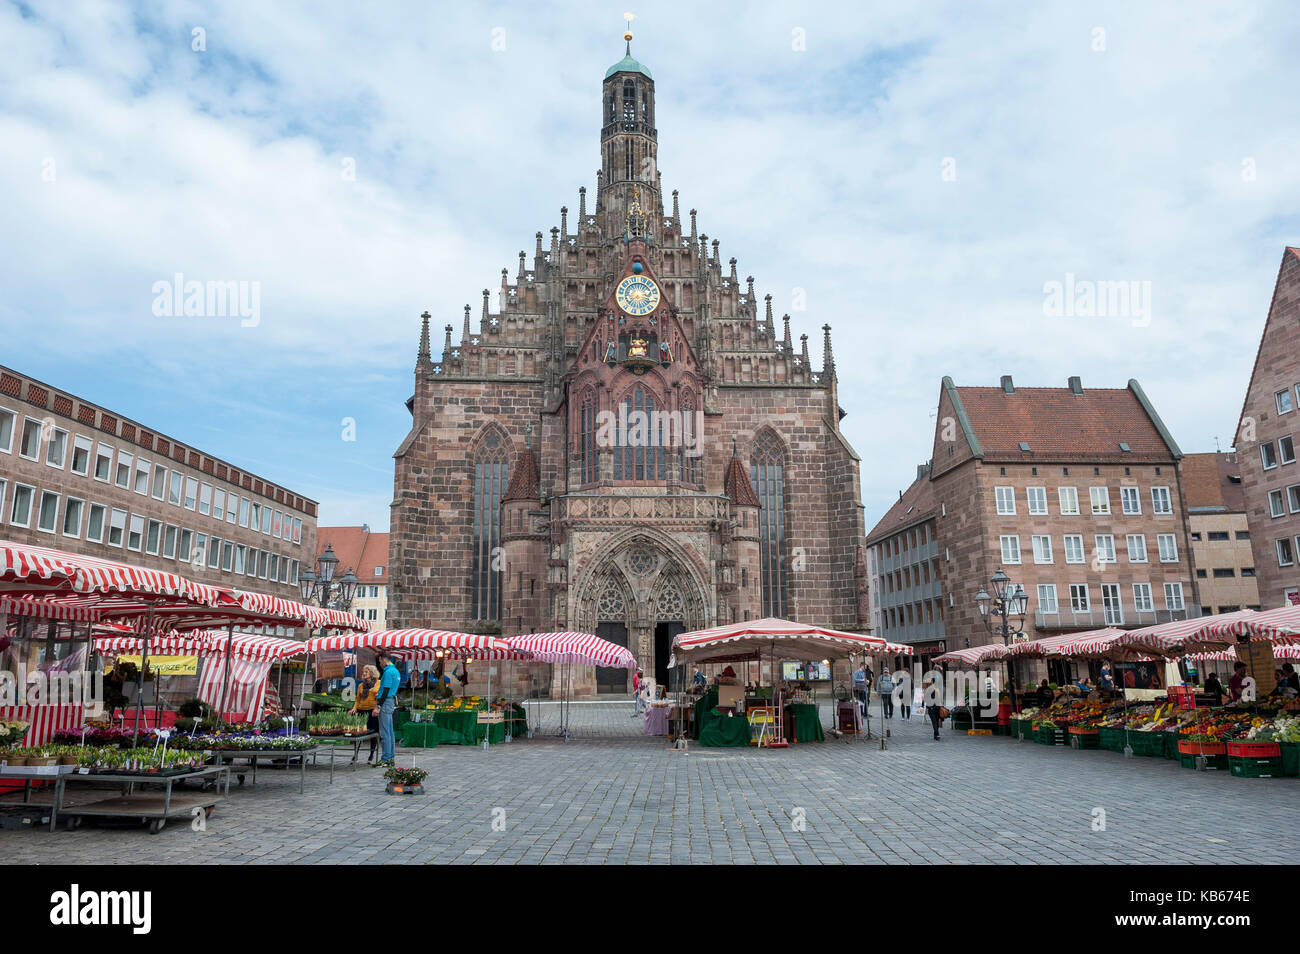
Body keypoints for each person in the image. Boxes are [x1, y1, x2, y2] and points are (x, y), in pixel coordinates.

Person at [374, 651, 401, 766]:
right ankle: (390, 758)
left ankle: (385, 759)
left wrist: (379, 705)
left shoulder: (388, 672)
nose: (380, 664)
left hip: (385, 703)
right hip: (390, 702)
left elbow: (385, 690)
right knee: (390, 732)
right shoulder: (395, 671)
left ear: (384, 660)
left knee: (385, 733)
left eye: (380, 661)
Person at [350, 664, 381, 763]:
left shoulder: (379, 683)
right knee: (358, 733)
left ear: (371, 673)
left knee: (373, 733)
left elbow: (381, 697)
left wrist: (378, 701)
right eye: (363, 672)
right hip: (361, 711)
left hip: (372, 712)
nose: (363, 674)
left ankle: (372, 754)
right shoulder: (360, 685)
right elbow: (357, 700)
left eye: (366, 672)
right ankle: (356, 753)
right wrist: (354, 708)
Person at [924, 674, 943, 741]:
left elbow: (925, 699)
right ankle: (936, 734)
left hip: (931, 708)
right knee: (936, 722)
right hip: (937, 707)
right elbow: (940, 699)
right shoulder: (937, 688)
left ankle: (936, 735)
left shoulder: (927, 690)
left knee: (934, 722)